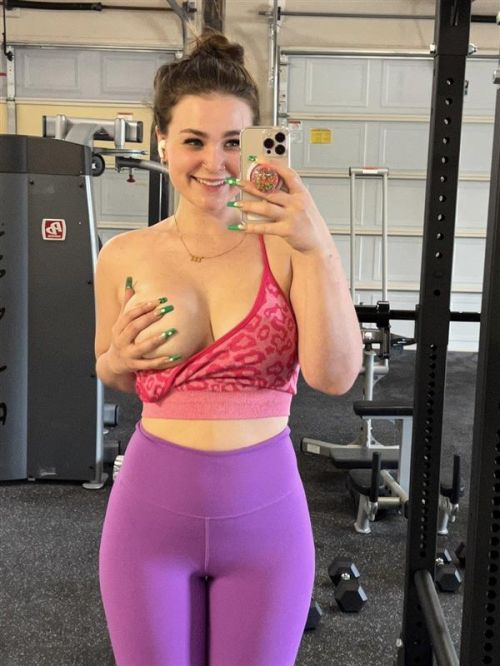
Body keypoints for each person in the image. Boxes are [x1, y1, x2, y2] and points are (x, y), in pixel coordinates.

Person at [96, 32, 362, 666]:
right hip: (149, 522)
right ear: (161, 141)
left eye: (234, 142)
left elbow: (334, 376)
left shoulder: (290, 246)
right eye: (194, 140)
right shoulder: (124, 255)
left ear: (259, 144)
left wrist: (317, 245)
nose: (214, 162)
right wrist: (118, 360)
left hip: (266, 523)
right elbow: (111, 371)